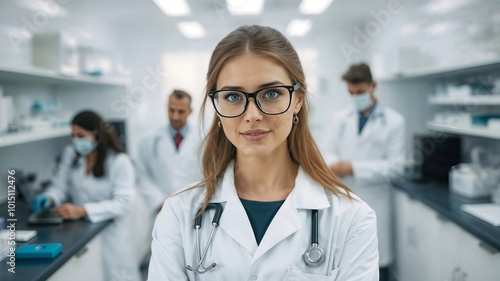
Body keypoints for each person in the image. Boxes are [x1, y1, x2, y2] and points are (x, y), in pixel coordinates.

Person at [148, 25, 379, 281]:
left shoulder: (353, 218)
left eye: (271, 93)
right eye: (233, 96)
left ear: (298, 100)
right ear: (216, 105)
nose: (252, 115)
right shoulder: (178, 214)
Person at [32, 110, 141, 281]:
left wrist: (82, 210)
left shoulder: (119, 161)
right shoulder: (72, 154)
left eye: (81, 135)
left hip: (112, 232)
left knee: (118, 275)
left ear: (96, 135)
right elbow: (60, 186)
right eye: (73, 135)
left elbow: (123, 203)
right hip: (79, 229)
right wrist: (50, 197)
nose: (76, 140)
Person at [322, 63, 406, 281]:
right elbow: (328, 151)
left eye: (360, 92)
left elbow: (396, 166)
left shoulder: (394, 121)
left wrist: (354, 168)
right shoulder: (341, 118)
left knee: (375, 263)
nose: (356, 97)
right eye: (351, 93)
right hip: (344, 195)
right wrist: (334, 164)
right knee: (346, 262)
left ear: (373, 86)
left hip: (376, 199)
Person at [135, 89, 203, 214]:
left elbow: (208, 174)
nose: (175, 116)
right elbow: (141, 173)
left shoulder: (203, 138)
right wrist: (158, 201)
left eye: (181, 111)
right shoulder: (149, 138)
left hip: (194, 207)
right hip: (161, 208)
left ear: (190, 111)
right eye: (171, 110)